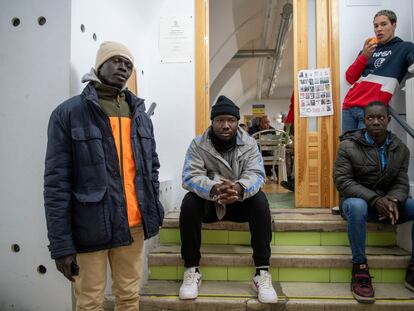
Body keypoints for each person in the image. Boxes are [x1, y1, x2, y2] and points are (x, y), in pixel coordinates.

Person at [44, 41, 164, 310]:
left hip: (133, 225)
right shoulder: (69, 113)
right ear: (99, 65)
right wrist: (61, 244)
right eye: (116, 60)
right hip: (90, 227)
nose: (124, 67)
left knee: (129, 297)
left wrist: (152, 207)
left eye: (129, 64)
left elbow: (151, 168)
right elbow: (56, 183)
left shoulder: (140, 115)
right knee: (89, 301)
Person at [178, 95, 277, 304]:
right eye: (220, 120)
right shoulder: (197, 144)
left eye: (230, 120)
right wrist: (214, 189)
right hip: (211, 204)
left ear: (237, 122)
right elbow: (190, 176)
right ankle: (192, 269)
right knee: (188, 203)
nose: (225, 125)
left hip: (239, 203)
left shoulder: (249, 143)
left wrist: (239, 188)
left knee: (260, 202)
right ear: (212, 122)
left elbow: (257, 174)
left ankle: (262, 272)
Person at [333, 101, 414, 304]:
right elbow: (343, 181)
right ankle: (360, 268)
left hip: (387, 204)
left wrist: (394, 199)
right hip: (356, 204)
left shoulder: (401, 149)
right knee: (357, 206)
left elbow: (401, 182)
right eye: (370, 118)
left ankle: (413, 268)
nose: (376, 122)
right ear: (364, 121)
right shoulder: (347, 146)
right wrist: (374, 199)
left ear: (388, 120)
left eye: (380, 117)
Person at [341, 9, 414, 133]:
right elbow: (349, 78)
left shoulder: (405, 47)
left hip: (373, 110)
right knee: (348, 149)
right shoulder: (368, 49)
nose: (379, 29)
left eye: (384, 24)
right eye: (376, 26)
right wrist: (364, 56)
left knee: (366, 151)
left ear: (394, 25)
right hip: (349, 107)